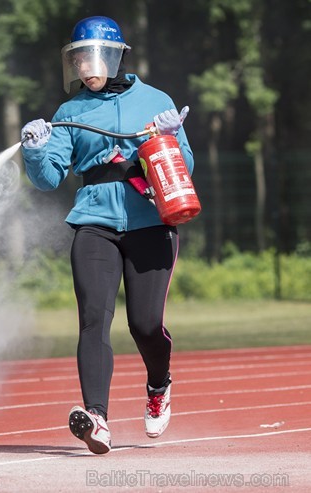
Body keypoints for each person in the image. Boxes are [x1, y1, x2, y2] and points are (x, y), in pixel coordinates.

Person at [20, 15, 194, 455]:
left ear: (114, 57)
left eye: (92, 56)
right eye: (78, 58)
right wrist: (36, 149)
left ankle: (159, 384)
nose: (85, 66)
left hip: (151, 224)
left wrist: (171, 141)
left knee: (145, 324)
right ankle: (96, 417)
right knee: (94, 320)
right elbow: (47, 179)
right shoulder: (68, 113)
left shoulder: (155, 101)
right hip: (93, 224)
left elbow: (185, 169)